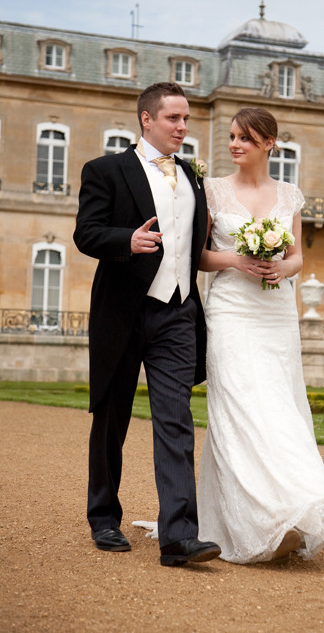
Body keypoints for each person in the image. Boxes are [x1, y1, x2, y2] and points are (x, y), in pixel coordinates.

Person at [73, 81, 221, 567]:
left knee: (176, 419)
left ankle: (178, 537)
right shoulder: (105, 170)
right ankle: (103, 518)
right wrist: (125, 240)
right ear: (147, 119)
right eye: (174, 119)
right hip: (122, 310)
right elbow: (86, 233)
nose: (183, 127)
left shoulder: (193, 177)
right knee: (111, 417)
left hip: (178, 312)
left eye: (186, 120)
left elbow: (192, 245)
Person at [197, 107, 324, 563]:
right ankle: (252, 520)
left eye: (245, 137)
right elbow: (200, 257)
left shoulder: (290, 195)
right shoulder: (213, 191)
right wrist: (236, 261)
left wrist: (281, 266)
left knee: (280, 410)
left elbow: (298, 256)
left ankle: (295, 509)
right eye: (231, 136)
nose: (234, 144)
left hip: (276, 311)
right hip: (230, 310)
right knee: (239, 408)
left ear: (269, 144)